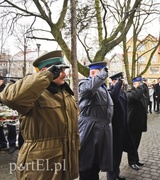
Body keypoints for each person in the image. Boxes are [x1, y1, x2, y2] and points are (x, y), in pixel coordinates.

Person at [0, 50, 79, 179]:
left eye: (65, 69)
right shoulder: (33, 94)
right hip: (40, 168)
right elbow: (10, 98)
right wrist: (45, 77)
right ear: (45, 72)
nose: (64, 74)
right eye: (60, 70)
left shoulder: (64, 93)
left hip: (64, 165)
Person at [78, 61, 114, 180]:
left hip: (102, 131)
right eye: (101, 73)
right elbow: (88, 89)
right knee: (86, 166)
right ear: (93, 73)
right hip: (90, 131)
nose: (104, 76)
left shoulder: (102, 88)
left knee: (96, 166)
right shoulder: (85, 83)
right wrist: (100, 75)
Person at [107, 72, 127, 180]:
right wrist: (118, 84)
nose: (121, 83)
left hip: (121, 128)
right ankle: (111, 177)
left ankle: (116, 174)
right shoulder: (110, 92)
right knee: (113, 156)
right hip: (114, 129)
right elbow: (114, 98)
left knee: (118, 155)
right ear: (113, 82)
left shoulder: (122, 92)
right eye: (118, 81)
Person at [126, 76, 148, 170]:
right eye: (139, 84)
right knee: (132, 144)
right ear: (135, 84)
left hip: (139, 123)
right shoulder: (130, 93)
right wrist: (139, 87)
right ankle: (132, 162)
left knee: (136, 143)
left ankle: (136, 160)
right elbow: (136, 97)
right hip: (132, 123)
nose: (141, 86)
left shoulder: (140, 93)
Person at [0, 76, 17, 154]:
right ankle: (2, 143)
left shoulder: (7, 88)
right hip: (1, 110)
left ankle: (12, 144)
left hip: (8, 110)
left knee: (11, 127)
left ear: (2, 81)